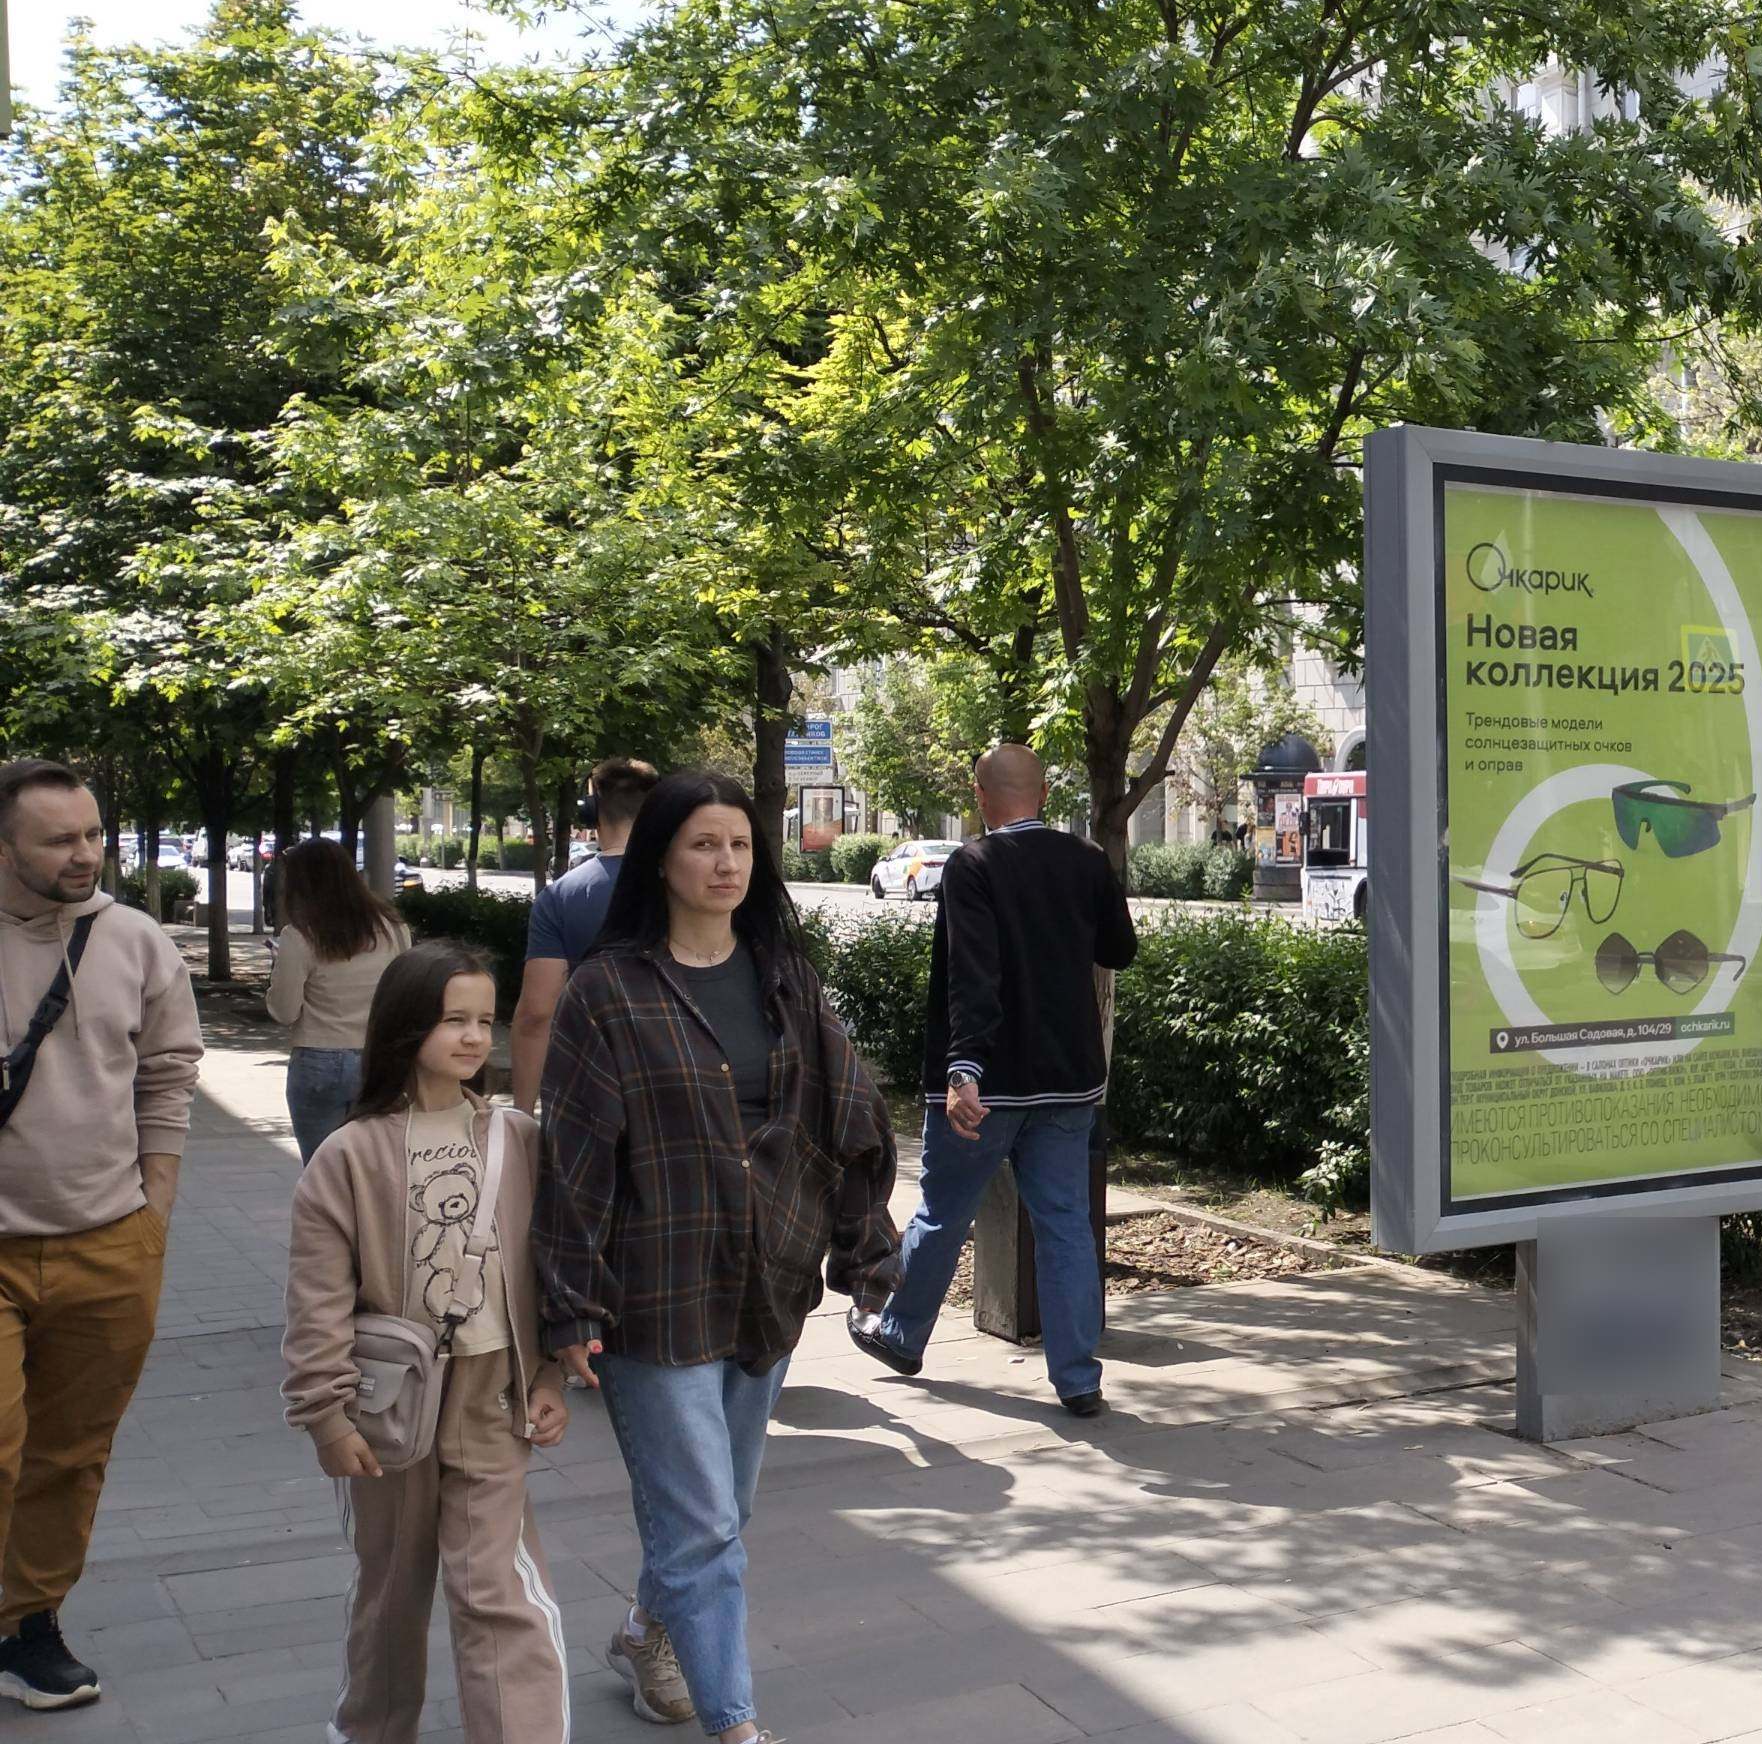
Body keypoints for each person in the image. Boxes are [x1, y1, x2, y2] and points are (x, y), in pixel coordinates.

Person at [535, 770, 898, 1743]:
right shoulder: (608, 990)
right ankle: (735, 1724)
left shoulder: (783, 975)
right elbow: (571, 1158)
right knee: (702, 1526)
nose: (726, 862)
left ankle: (646, 1631)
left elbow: (850, 1112)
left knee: (719, 1509)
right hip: (651, 1289)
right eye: (703, 843)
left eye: (739, 843)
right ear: (661, 858)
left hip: (766, 1276)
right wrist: (567, 1306)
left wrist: (865, 1251)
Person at [280, 943, 571, 1744]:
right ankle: (370, 1730)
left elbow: (551, 1268)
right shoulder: (350, 1153)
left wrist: (550, 1373)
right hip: (389, 1406)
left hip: (493, 1394)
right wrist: (326, 1415)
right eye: (453, 1020)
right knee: (391, 1588)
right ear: (406, 1026)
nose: (475, 1037)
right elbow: (316, 1297)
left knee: (497, 1589)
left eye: (484, 1019)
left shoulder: (518, 1137)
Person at [849, 743, 1137, 1414]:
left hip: (988, 1083)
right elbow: (1119, 949)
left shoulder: (973, 864)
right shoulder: (1087, 860)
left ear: (979, 796)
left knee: (944, 1211)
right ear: (1044, 794)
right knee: (1065, 1225)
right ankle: (1078, 1378)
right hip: (1068, 1079)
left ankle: (901, 1335)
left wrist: (963, 1069)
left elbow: (972, 973)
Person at [0, 760, 200, 1711]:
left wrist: (154, 1210)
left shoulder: (133, 939)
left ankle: (26, 1625)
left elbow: (169, 1072)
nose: (84, 855)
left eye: (92, 834)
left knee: (71, 1453)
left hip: (111, 1242)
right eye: (58, 840)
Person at [510, 756, 657, 1111]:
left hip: (589, 1091)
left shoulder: (559, 898)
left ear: (592, 812)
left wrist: (523, 1115)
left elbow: (536, 1015)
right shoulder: (689, 886)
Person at [266, 836, 413, 1161]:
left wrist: (279, 969)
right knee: (376, 1165)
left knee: (323, 1170)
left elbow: (284, 1011)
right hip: (379, 1058)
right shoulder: (393, 928)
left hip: (318, 1060)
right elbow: (407, 993)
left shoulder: (299, 936)